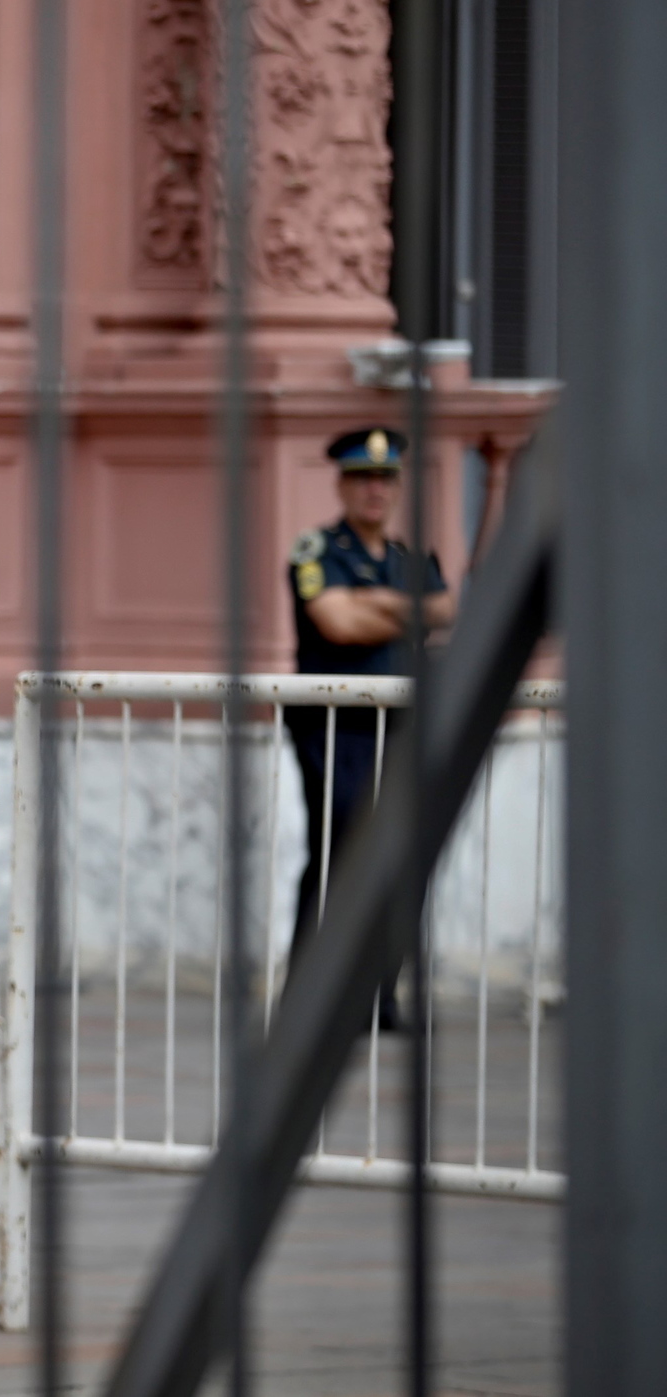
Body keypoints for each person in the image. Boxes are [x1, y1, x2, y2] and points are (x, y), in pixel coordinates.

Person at [285, 426, 454, 1027]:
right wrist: (404, 609)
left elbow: (446, 610)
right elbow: (339, 625)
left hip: (401, 728)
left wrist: (373, 599)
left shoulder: (411, 560)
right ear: (342, 484)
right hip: (336, 730)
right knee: (336, 857)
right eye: (362, 478)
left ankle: (378, 999)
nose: (375, 490)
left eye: (385, 478)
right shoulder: (316, 551)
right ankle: (309, 1000)